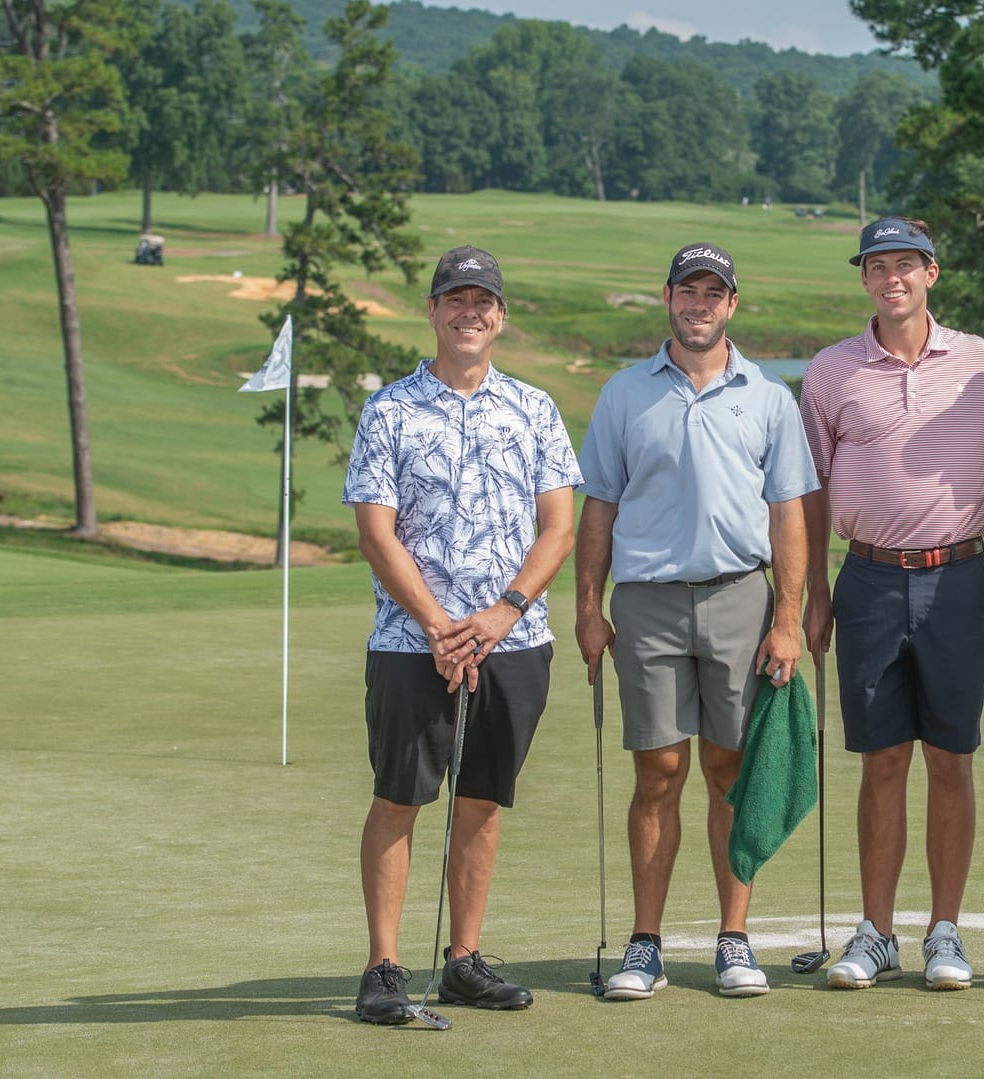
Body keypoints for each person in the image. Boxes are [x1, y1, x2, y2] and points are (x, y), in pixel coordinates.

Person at [342, 245, 581, 1024]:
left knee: (481, 801)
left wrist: (503, 611)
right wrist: (441, 625)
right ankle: (383, 966)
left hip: (513, 640)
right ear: (434, 310)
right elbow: (376, 533)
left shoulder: (535, 408)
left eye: (483, 301)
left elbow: (558, 527)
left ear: (500, 316)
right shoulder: (388, 408)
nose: (469, 312)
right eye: (456, 299)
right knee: (400, 796)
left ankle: (463, 961)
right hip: (412, 643)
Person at [574, 242, 818, 1001]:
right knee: (658, 770)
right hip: (645, 601)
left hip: (739, 597)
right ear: (668, 297)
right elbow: (599, 508)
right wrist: (586, 604)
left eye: (714, 293)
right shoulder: (623, 393)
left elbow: (789, 516)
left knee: (727, 771)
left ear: (731, 305)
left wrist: (788, 616)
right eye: (688, 290)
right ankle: (644, 944)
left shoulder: (769, 396)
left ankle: (732, 938)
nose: (699, 304)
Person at [799, 217, 984, 991]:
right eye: (876, 265)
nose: (890, 276)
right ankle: (876, 932)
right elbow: (807, 495)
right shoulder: (831, 371)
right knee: (882, 760)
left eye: (905, 264)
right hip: (863, 582)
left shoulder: (975, 360)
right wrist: (810, 595)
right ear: (863, 278)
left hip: (958, 581)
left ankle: (944, 932)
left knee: (950, 759)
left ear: (933, 272)